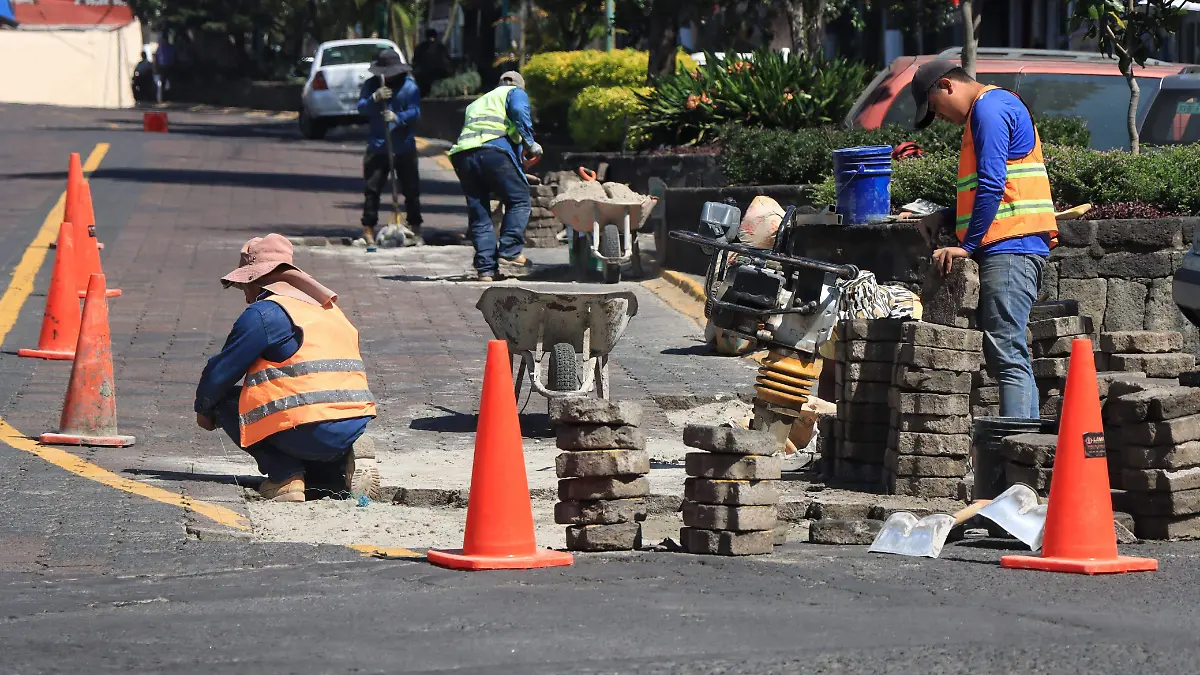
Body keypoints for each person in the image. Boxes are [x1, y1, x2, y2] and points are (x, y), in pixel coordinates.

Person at [911, 59, 1057, 419]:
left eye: (935, 107)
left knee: (1007, 350)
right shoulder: (988, 109)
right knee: (1005, 351)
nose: (939, 117)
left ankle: (1018, 445)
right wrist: (945, 216)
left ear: (947, 85)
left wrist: (966, 246)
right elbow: (987, 188)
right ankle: (1019, 443)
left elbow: (993, 184)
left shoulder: (989, 109)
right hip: (1010, 245)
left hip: (1012, 247)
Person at [194, 234, 378, 502]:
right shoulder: (328, 309)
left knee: (223, 400)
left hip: (306, 428)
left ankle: (285, 477)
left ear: (255, 280)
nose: (245, 297)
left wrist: (204, 408)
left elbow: (220, 374)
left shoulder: (264, 314)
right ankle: (341, 461)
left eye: (244, 286)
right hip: (354, 421)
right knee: (319, 465)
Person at [447, 71, 542, 281]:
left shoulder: (478, 102)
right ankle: (510, 249)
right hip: (493, 152)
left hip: (463, 155)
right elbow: (518, 112)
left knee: (479, 212)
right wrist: (530, 143)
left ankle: (486, 270)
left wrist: (519, 162)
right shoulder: (514, 92)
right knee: (519, 200)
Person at [358, 48, 423, 242]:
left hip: (403, 145)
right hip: (378, 145)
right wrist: (374, 98)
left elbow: (415, 112)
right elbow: (361, 107)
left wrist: (398, 117)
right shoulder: (371, 85)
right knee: (372, 189)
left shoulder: (409, 87)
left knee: (411, 189)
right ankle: (368, 228)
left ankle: (415, 227)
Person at [412, 29, 453, 97]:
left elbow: (415, 62)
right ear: (436, 36)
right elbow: (447, 62)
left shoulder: (420, 47)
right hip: (439, 77)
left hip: (423, 78)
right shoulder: (441, 47)